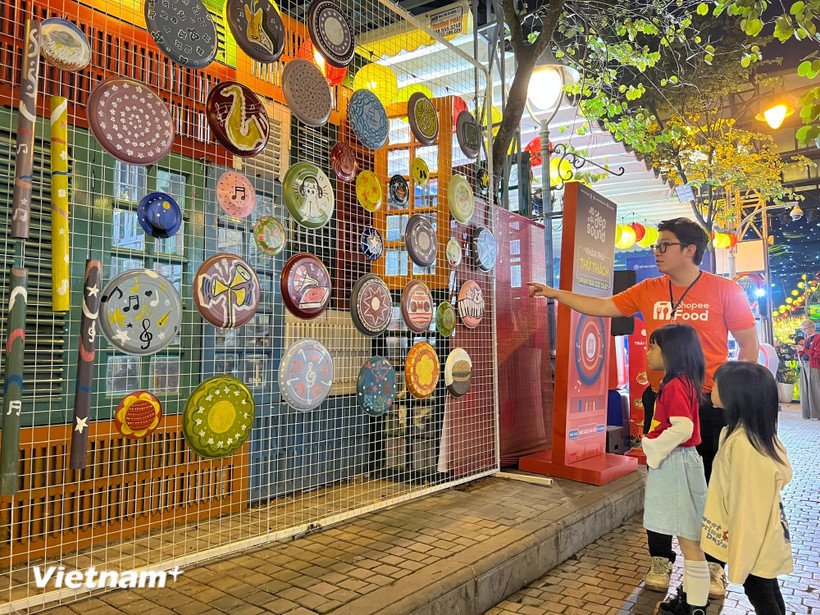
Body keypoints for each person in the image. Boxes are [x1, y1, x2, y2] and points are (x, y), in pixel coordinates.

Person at [528, 217, 759, 598]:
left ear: (690, 250)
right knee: (661, 483)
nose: (657, 251)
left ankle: (713, 567)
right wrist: (556, 293)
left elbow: (748, 347)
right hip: (663, 401)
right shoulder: (650, 289)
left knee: (713, 486)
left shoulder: (725, 291)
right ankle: (660, 559)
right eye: (656, 245)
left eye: (664, 245)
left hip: (710, 403)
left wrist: (731, 397)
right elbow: (603, 306)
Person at [702, 361, 793, 614]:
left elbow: (748, 506)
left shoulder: (745, 446)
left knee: (763, 595)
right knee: (767, 592)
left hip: (755, 542)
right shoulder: (741, 435)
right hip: (758, 538)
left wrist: (742, 558)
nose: (711, 388)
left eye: (717, 384)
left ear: (736, 394)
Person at [642, 324, 710, 615]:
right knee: (689, 539)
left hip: (676, 463)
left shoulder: (673, 385)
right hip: (680, 461)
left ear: (669, 351)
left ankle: (695, 606)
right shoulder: (683, 382)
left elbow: (684, 427)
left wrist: (653, 447)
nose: (648, 352)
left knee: (689, 541)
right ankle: (694, 600)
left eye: (652, 346)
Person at [792, 318, 820, 420]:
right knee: (805, 389)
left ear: (812, 327)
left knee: (815, 390)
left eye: (805, 329)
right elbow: (805, 352)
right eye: (803, 330)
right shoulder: (807, 339)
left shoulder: (818, 338)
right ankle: (807, 413)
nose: (804, 332)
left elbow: (817, 354)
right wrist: (798, 349)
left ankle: (816, 414)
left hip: (814, 366)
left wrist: (804, 349)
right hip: (805, 365)